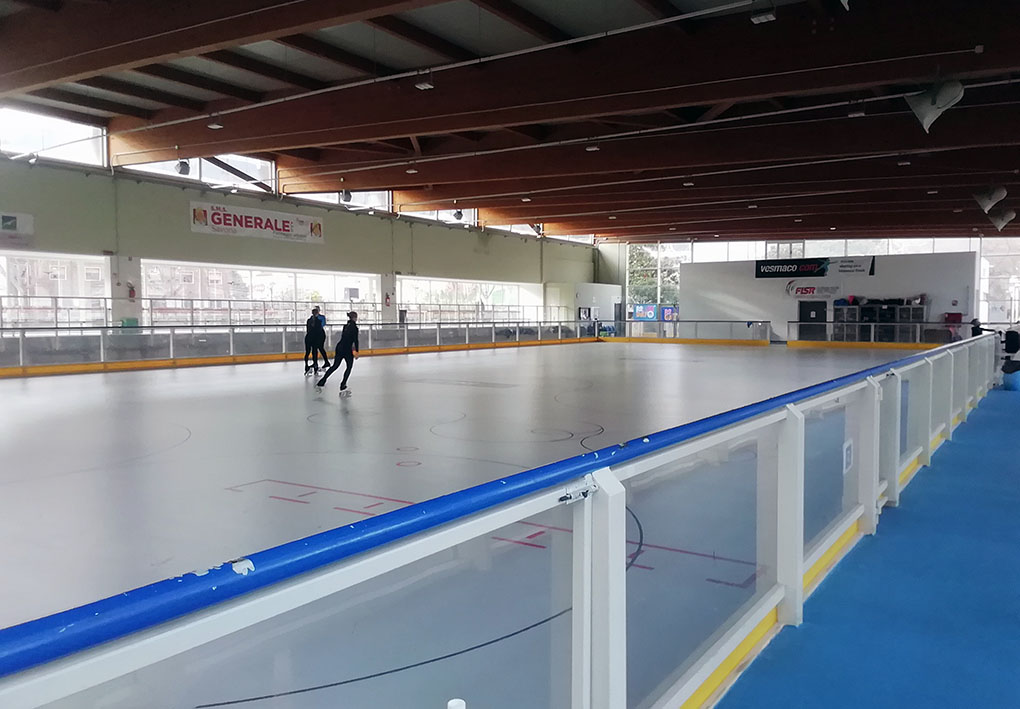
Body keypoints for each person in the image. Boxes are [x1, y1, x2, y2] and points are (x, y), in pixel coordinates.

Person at [316, 311, 359, 395]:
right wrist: (356, 351)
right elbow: (355, 340)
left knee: (335, 366)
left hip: (339, 347)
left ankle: (322, 381)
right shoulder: (355, 328)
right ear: (354, 318)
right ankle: (343, 385)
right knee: (349, 367)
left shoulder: (345, 326)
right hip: (347, 349)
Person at [304, 306, 329, 375]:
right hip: (316, 337)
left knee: (309, 352)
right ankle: (316, 365)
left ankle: (309, 365)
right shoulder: (318, 321)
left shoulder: (309, 320)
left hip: (309, 337)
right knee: (316, 351)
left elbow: (308, 329)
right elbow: (319, 328)